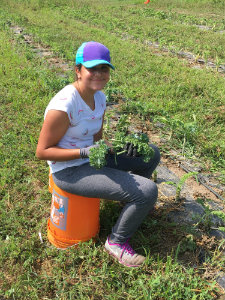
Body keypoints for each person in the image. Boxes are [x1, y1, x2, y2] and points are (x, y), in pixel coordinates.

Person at [36, 41, 160, 268]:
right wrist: (83, 152)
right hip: (69, 171)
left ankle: (130, 203)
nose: (99, 74)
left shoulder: (100, 98)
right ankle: (116, 243)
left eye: (104, 69)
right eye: (92, 68)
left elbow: (97, 141)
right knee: (149, 191)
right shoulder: (64, 105)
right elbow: (42, 152)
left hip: (93, 157)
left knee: (149, 153)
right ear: (78, 70)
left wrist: (121, 147)